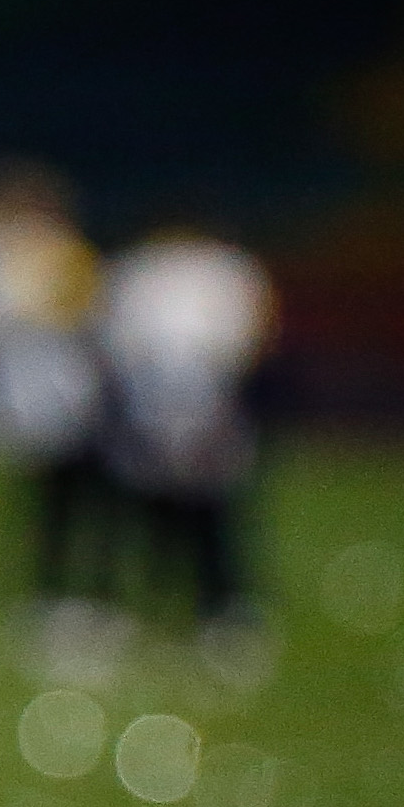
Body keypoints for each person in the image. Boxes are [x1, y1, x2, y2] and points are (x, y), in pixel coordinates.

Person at [0, 161, 109, 615]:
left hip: (61, 390)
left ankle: (62, 591)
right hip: (32, 393)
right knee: (51, 498)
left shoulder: (48, 252)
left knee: (68, 497)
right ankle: (50, 593)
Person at [91, 218, 274, 635]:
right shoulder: (145, 272)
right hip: (149, 406)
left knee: (208, 509)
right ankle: (152, 601)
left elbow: (246, 340)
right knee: (147, 508)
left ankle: (219, 604)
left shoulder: (219, 272)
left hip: (207, 403)